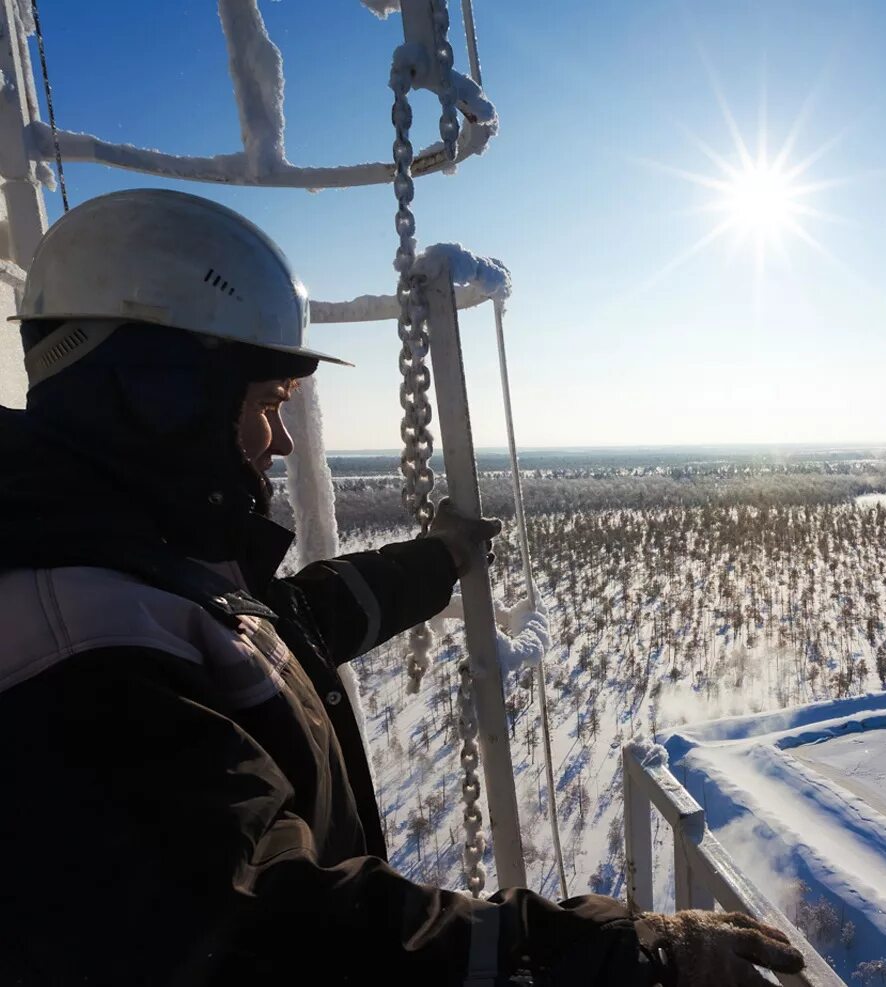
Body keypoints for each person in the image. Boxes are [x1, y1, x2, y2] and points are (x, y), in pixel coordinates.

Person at [0, 189, 804, 986]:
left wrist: (439, 557)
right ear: (161, 396)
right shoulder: (73, 652)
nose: (280, 441)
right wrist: (611, 950)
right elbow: (270, 932)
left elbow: (294, 622)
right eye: (266, 404)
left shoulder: (119, 568)